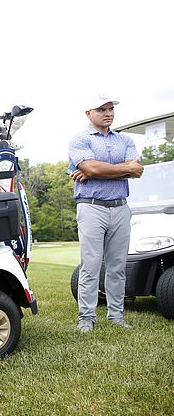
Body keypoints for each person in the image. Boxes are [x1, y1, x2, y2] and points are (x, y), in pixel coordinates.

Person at [68, 93, 143, 333]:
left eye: (110, 109)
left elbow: (137, 170)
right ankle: (86, 318)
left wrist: (94, 171)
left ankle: (116, 316)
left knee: (117, 266)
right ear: (89, 113)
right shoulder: (79, 139)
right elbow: (90, 166)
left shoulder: (125, 140)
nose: (108, 113)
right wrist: (112, 169)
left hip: (120, 207)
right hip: (91, 207)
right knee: (90, 266)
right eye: (102, 109)